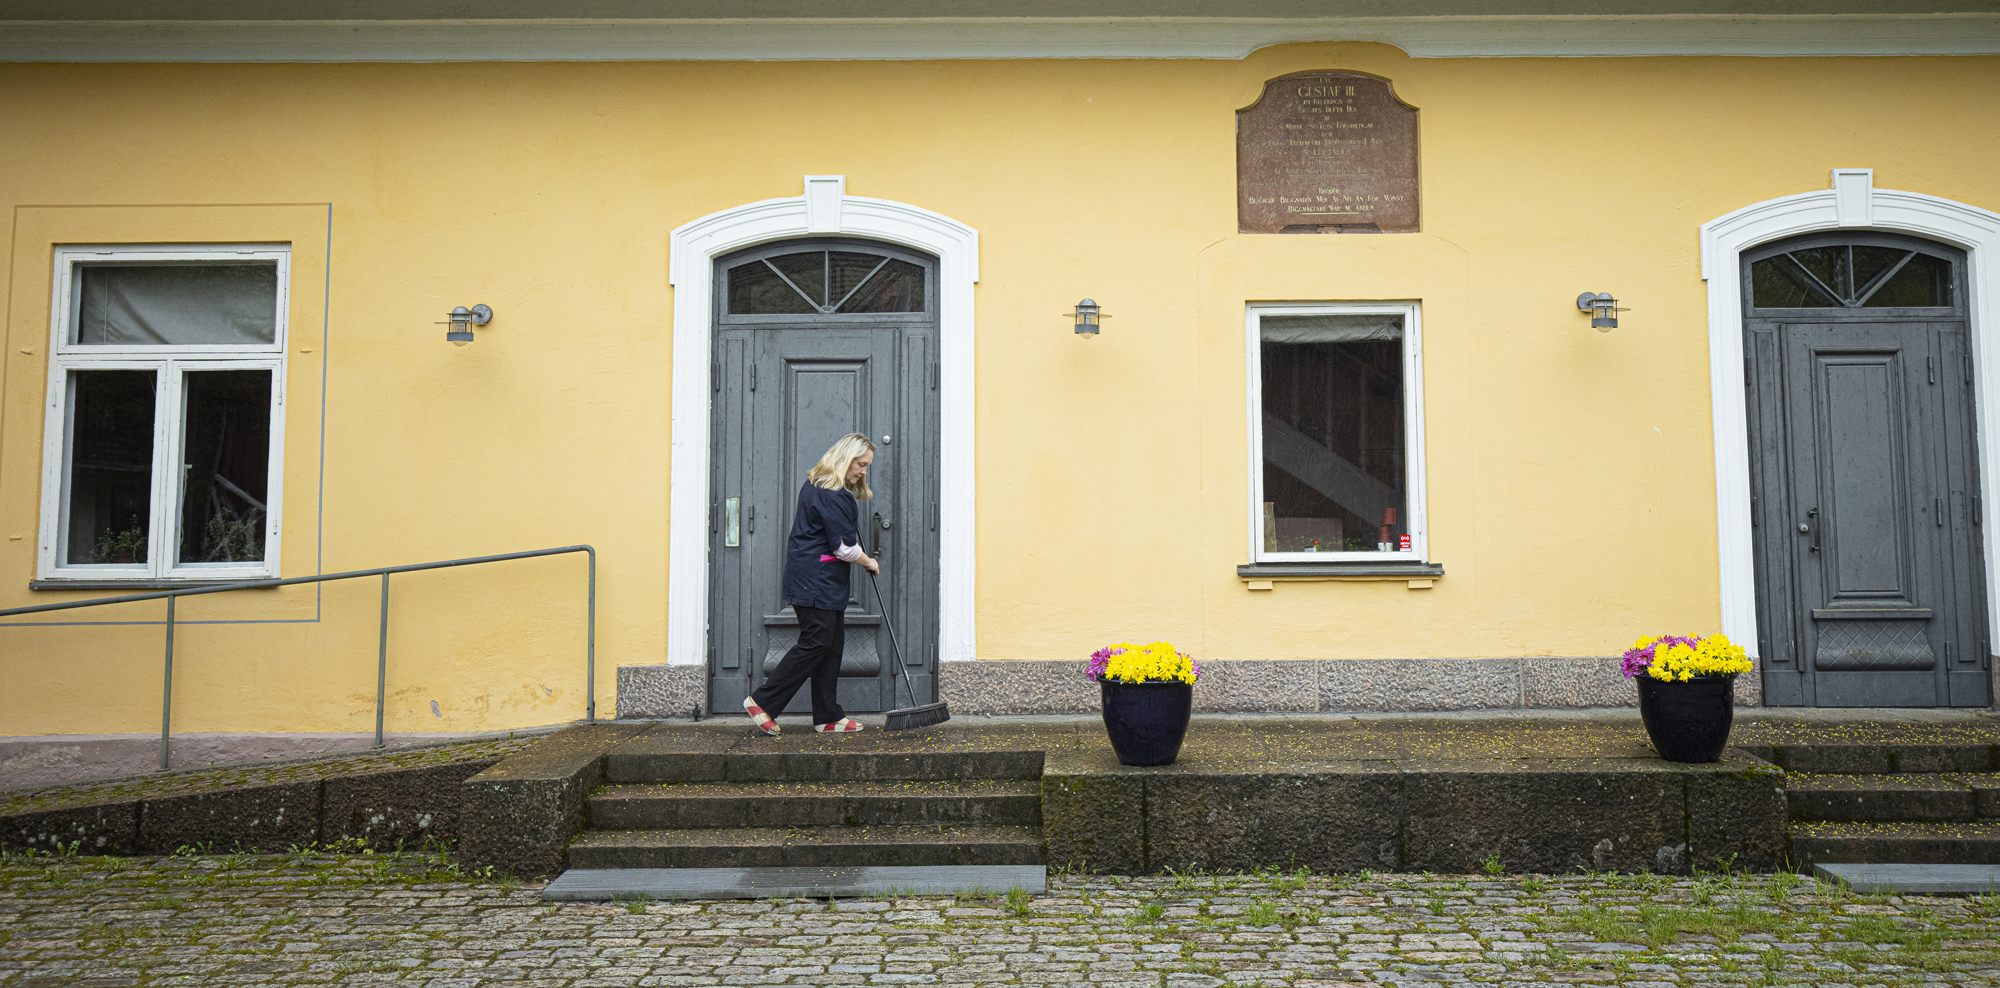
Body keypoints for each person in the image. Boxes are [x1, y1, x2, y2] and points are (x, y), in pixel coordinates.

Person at [743, 433, 880, 735]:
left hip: (818, 581)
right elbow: (844, 549)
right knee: (817, 643)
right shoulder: (834, 495)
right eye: (861, 464)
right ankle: (763, 702)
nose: (864, 471)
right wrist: (868, 561)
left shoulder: (817, 485)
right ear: (846, 459)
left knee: (830, 646)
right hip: (816, 582)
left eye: (866, 465)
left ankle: (828, 715)